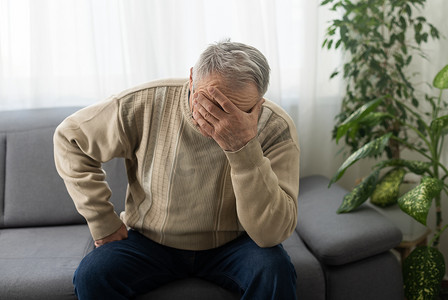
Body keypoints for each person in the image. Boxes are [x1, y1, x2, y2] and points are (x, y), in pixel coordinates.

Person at [54, 41, 300, 300]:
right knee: (93, 274)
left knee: (275, 270)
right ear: (191, 78)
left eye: (239, 111)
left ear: (259, 102)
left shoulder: (276, 126)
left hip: (235, 243)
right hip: (149, 241)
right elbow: (69, 139)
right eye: (209, 103)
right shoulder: (146, 103)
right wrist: (102, 221)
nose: (220, 120)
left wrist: (243, 147)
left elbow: (271, 235)